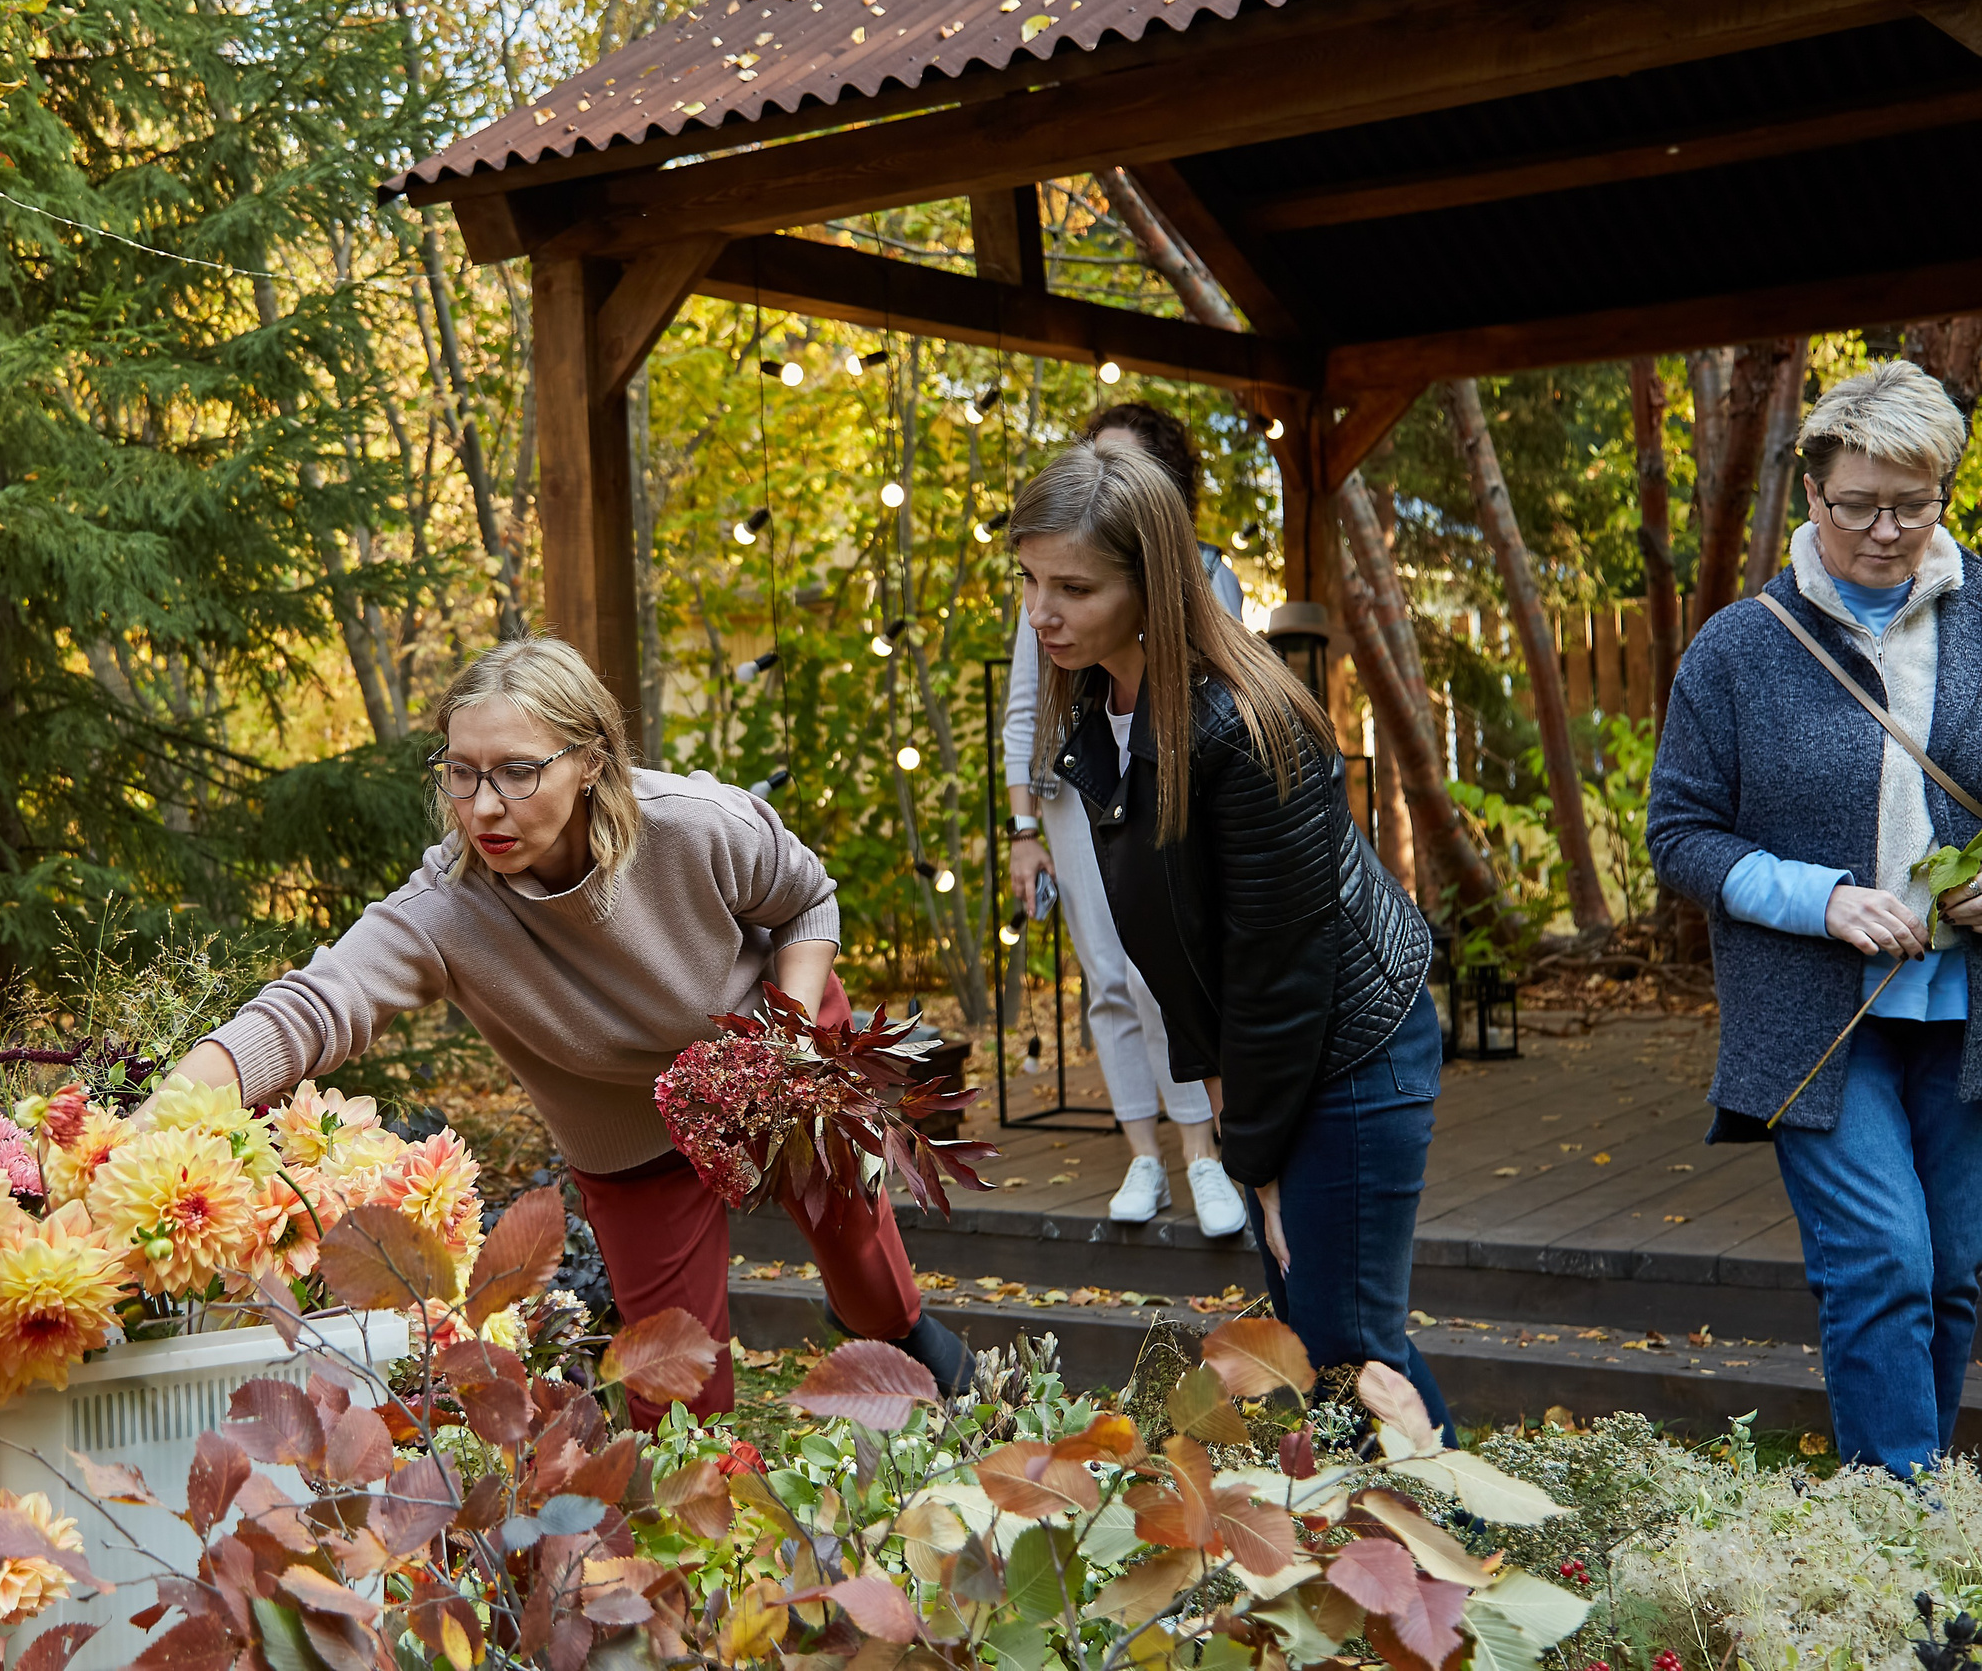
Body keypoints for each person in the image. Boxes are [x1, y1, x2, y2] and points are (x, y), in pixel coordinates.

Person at [165, 636, 973, 1426]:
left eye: (518, 771)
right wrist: (160, 1115)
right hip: (628, 1129)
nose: (485, 806)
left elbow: (807, 899)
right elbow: (312, 1005)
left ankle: (897, 1328)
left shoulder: (692, 824)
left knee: (860, 1252)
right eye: (461, 772)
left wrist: (787, 1048)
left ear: (590, 760)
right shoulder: (446, 908)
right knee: (677, 1393)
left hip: (778, 1042)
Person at [1007, 429, 1453, 1432]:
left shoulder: (1243, 726)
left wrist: (1254, 1164)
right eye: (1029, 580)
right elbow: (1175, 949)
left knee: (1346, 1354)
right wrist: (1234, 1127)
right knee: (1325, 1343)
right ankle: (1420, 1528)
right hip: (1272, 1056)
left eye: (1073, 588)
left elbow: (1278, 974)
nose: (1041, 614)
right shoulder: (1105, 701)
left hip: (1348, 1053)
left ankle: (1456, 1528)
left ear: (1153, 583)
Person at [1648, 359, 1982, 1479]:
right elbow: (1679, 834)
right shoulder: (1738, 648)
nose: (1886, 531)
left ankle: (1910, 1503)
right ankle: (1898, 1523)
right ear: (1810, 494)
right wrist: (1822, 899)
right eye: (1858, 505)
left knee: (1951, 1273)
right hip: (1814, 1023)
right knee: (1883, 1261)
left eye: (1913, 504)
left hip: (1966, 1017)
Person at [1002, 402, 1248, 1233]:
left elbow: (1218, 693)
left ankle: (1202, 1153)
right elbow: (1025, 710)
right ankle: (1144, 1151)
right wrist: (1023, 831)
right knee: (1106, 974)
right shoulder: (1048, 589)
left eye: (1117, 466)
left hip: (1161, 778)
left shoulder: (1205, 575)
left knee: (1159, 972)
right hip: (1070, 789)